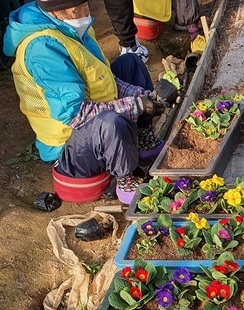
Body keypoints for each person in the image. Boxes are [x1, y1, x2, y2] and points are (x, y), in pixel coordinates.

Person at [3, 0, 165, 197]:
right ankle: (125, 180)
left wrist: (143, 96)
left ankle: (143, 140)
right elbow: (76, 114)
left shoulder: (72, 28)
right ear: (54, 13)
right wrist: (136, 105)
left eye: (86, 5)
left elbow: (104, 78)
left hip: (90, 120)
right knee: (109, 121)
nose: (84, 12)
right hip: (68, 146)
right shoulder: (42, 48)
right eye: (76, 10)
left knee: (130, 62)